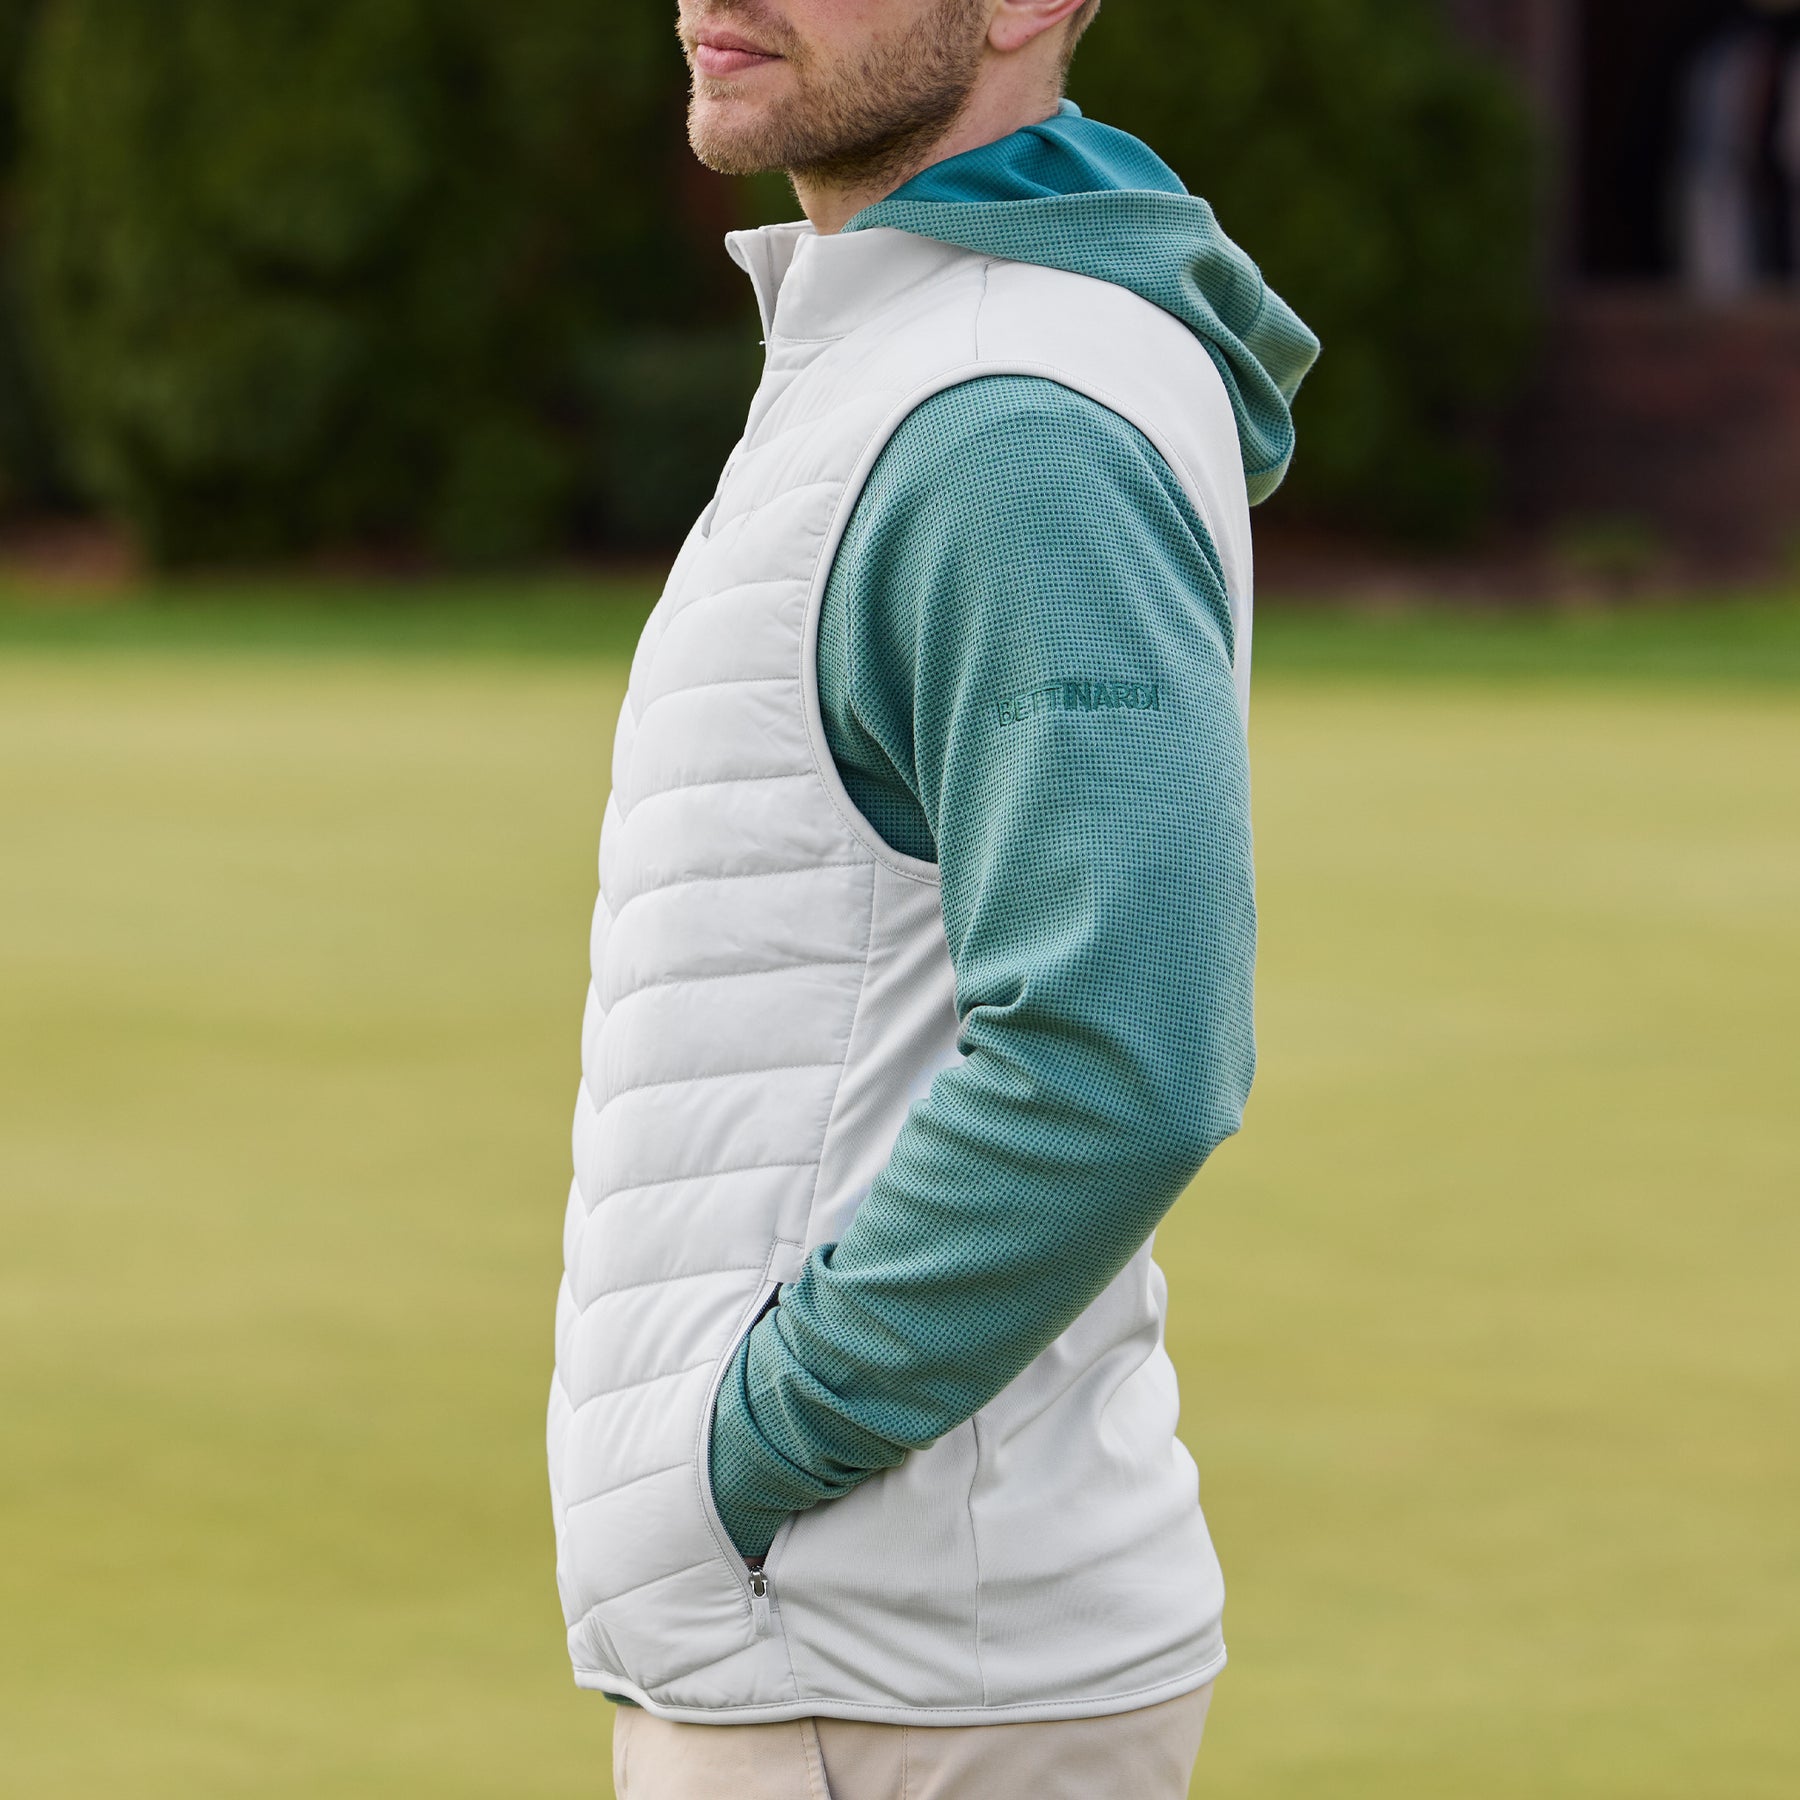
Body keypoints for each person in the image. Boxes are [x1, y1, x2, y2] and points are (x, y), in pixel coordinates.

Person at [545, 3, 1318, 1795]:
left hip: (881, 1671)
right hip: (867, 1650)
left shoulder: (1004, 417)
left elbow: (1122, 1059)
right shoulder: (909, 349)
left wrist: (744, 1463)